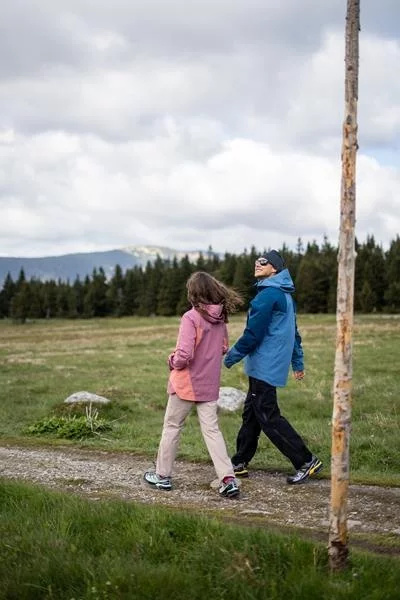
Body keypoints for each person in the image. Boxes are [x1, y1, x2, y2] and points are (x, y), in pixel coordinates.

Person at [224, 250, 323, 484]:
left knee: (268, 415)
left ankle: (306, 461)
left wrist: (230, 357)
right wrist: (297, 362)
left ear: (275, 268)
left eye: (263, 262)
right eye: (256, 260)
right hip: (268, 364)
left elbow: (253, 333)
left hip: (264, 365)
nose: (257, 264)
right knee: (252, 413)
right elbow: (294, 332)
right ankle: (239, 461)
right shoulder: (284, 295)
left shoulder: (268, 295)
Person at [144, 271, 243, 498]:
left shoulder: (190, 317)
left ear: (193, 293)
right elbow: (223, 348)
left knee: (172, 427)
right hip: (209, 384)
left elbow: (184, 355)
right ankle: (228, 479)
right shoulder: (221, 318)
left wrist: (172, 360)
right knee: (212, 430)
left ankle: (162, 476)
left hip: (185, 384)